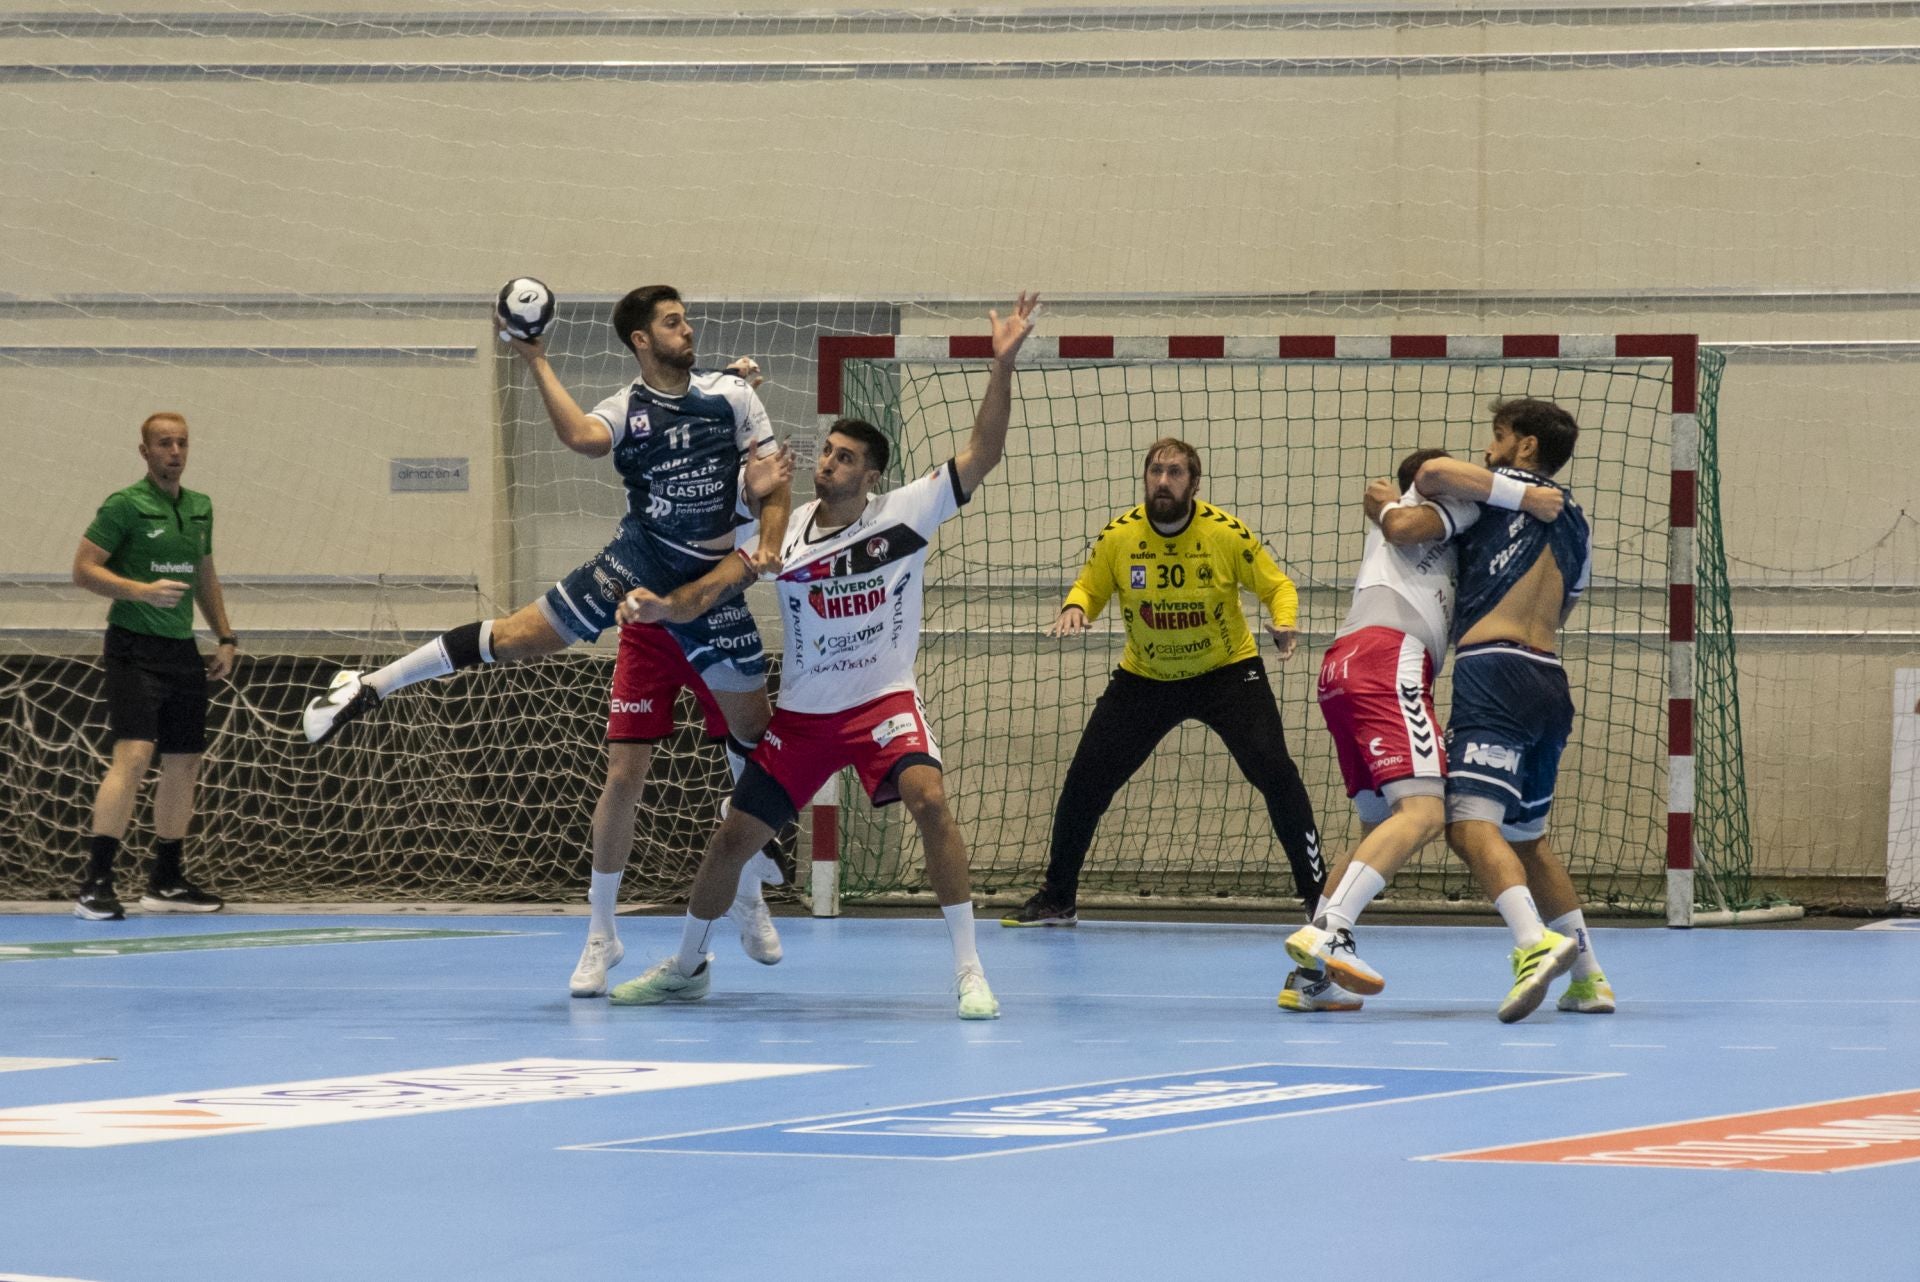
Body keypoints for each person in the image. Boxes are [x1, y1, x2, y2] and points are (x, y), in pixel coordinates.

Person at [299, 288, 794, 947]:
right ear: (641, 340)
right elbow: (582, 437)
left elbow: (775, 480)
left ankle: (749, 858)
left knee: (757, 733)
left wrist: (769, 541)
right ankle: (367, 685)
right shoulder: (627, 409)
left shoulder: (732, 395)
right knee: (515, 638)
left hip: (710, 583)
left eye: (686, 319)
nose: (688, 328)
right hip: (638, 564)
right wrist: (534, 358)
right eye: (672, 322)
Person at [605, 291, 1041, 1020]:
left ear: (872, 475)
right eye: (828, 452)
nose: (828, 462)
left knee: (930, 800)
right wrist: (662, 607)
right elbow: (716, 574)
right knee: (730, 843)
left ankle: (969, 970)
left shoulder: (909, 511)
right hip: (804, 717)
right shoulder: (786, 528)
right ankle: (687, 965)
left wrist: (1000, 368)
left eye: (845, 458)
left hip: (881, 703)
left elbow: (984, 452)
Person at [1279, 448, 1563, 1013]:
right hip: (1389, 659)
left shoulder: (1438, 540)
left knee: (1376, 827)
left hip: (1344, 666)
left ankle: (1309, 980)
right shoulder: (1441, 503)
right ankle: (1330, 929)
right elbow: (1432, 476)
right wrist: (1526, 496)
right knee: (1427, 812)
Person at [1001, 438, 1325, 930]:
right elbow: (1092, 584)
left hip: (1226, 672)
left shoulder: (1225, 534)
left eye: (1175, 473)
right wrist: (1075, 606)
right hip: (1146, 678)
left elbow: (1276, 584)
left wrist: (1283, 621)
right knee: (1085, 782)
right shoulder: (1119, 536)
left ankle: (1319, 899)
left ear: (1193, 484)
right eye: (1156, 471)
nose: (1163, 481)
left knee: (1277, 775)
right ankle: (1058, 896)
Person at [1415, 397, 1610, 1022]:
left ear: (1525, 447)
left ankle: (1533, 947)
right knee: (1528, 839)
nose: (1487, 449)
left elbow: (1430, 475)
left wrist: (1512, 495)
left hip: (1493, 671)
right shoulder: (1577, 521)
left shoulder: (1498, 491)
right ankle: (1590, 978)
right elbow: (1568, 603)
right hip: (1549, 680)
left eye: (1498, 437)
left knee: (1467, 824)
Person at [569, 618, 792, 997]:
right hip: (649, 635)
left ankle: (747, 895)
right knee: (622, 779)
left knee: (754, 773)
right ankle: (601, 934)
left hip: (718, 626)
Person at [70, 412, 235, 919]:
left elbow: (204, 574)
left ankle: (165, 879)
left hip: (180, 649)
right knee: (136, 755)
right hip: (132, 647)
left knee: (184, 761)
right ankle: (95, 881)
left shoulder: (201, 507)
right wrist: (139, 590)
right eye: (164, 443)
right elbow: (83, 570)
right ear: (145, 451)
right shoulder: (125, 505)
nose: (175, 451)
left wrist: (226, 636)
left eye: (182, 442)